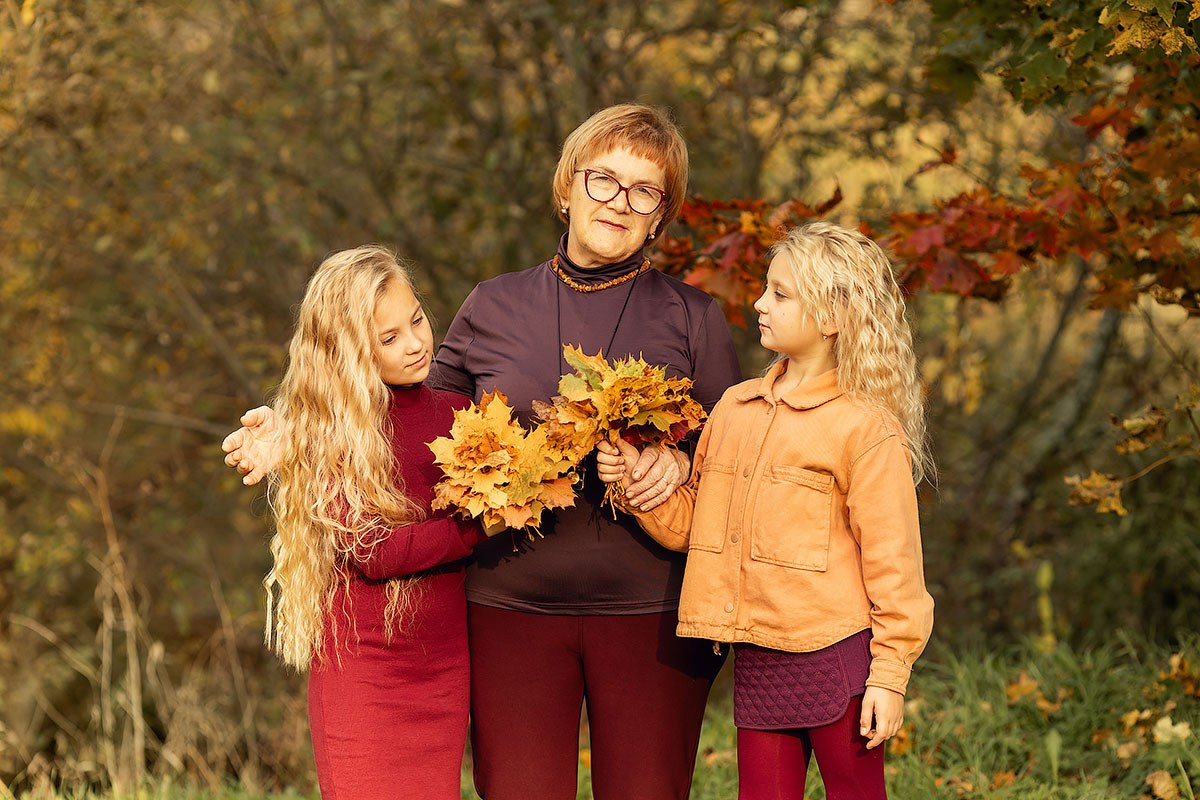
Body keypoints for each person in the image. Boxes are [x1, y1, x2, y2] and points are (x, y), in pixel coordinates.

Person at [223, 104, 742, 799]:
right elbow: (401, 419)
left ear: (661, 215)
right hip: (508, 616)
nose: (619, 201)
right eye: (603, 179)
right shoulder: (493, 307)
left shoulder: (693, 318)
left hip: (651, 618)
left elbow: (742, 458)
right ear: (567, 186)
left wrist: (682, 460)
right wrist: (297, 429)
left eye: (643, 190)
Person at [597, 221, 935, 800]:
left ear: (830, 318)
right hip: (758, 659)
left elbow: (895, 566)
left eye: (780, 294)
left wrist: (890, 678)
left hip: (838, 659)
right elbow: (697, 526)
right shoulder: (734, 408)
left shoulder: (865, 427)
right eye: (764, 288)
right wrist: (635, 484)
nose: (759, 303)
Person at [244, 246, 481, 800]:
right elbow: (378, 552)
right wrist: (479, 528)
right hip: (365, 671)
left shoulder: (460, 416)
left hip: (444, 668)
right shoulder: (333, 435)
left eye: (417, 319)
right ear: (351, 352)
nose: (418, 343)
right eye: (389, 338)